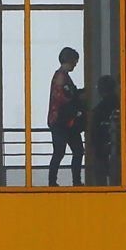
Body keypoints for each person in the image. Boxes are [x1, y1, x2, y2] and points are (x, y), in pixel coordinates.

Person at [47, 46, 86, 187]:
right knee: (65, 151)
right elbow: (65, 97)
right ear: (69, 59)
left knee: (67, 151)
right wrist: (79, 96)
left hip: (62, 120)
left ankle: (55, 181)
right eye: (75, 61)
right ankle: (68, 181)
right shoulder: (61, 77)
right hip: (61, 121)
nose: (76, 64)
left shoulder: (61, 76)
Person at [88, 74, 121, 186]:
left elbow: (94, 133)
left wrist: (94, 147)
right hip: (119, 150)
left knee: (100, 182)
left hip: (101, 150)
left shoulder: (98, 110)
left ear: (101, 90)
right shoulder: (121, 105)